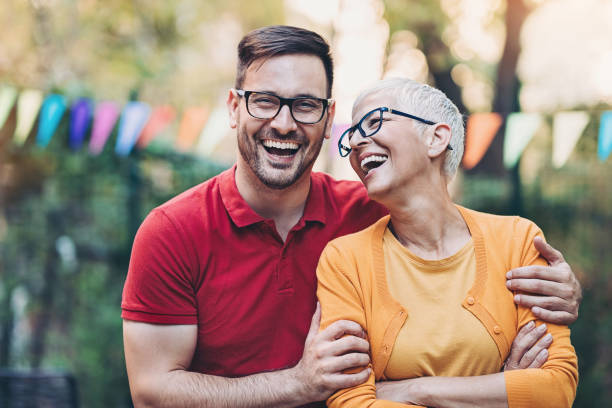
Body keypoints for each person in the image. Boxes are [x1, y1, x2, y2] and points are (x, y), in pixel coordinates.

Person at [121, 26, 582, 407]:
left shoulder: (373, 211)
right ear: (233, 108)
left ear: (327, 120)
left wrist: (562, 287)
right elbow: (152, 391)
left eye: (305, 105)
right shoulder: (173, 231)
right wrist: (299, 384)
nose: (284, 123)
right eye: (264, 100)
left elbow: (457, 235)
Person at [316, 77, 578, 407]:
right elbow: (351, 402)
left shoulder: (518, 240)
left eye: (374, 121)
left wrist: (416, 390)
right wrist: (499, 389)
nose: (355, 142)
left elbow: (556, 390)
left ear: (436, 138)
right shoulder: (344, 259)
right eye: (352, 134)